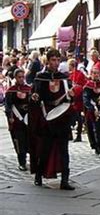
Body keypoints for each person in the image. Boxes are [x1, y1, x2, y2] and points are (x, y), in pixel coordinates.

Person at [29, 49, 75, 190]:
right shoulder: (40, 77)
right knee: (45, 149)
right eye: (53, 60)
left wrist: (72, 95)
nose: (55, 63)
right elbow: (35, 96)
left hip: (62, 119)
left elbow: (69, 98)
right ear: (47, 61)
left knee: (64, 150)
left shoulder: (64, 78)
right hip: (47, 119)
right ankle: (38, 175)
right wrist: (34, 97)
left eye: (57, 60)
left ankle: (65, 180)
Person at [4, 68, 31, 171]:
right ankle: (22, 162)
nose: (21, 79)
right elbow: (8, 106)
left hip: (27, 120)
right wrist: (10, 117)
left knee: (29, 140)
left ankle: (31, 160)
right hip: (17, 120)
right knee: (19, 141)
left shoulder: (28, 89)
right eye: (19, 77)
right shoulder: (11, 91)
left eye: (22, 77)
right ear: (15, 78)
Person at [68, 58, 87, 142]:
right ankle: (71, 134)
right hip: (73, 97)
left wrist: (75, 87)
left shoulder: (79, 74)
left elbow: (81, 85)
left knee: (78, 116)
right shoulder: (71, 74)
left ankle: (78, 134)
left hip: (78, 97)